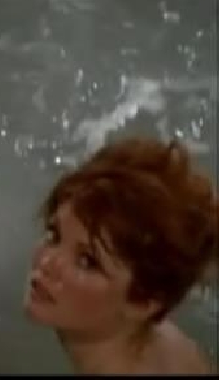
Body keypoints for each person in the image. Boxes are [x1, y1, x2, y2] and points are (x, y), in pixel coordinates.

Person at [26, 137, 217, 374]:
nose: (46, 262)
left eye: (87, 262)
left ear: (143, 303)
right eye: (55, 235)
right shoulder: (163, 340)